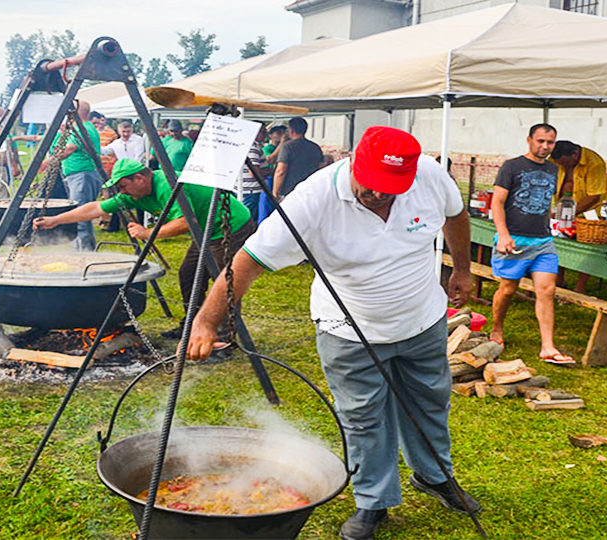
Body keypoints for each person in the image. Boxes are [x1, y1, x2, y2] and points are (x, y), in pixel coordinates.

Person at [185, 127, 479, 540]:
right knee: (363, 417)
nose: (379, 195)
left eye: (391, 188)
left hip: (421, 318)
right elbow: (248, 260)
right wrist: (206, 320)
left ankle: (433, 475)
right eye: (372, 185)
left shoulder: (429, 176)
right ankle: (373, 500)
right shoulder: (313, 199)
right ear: (355, 162)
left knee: (430, 402)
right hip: (349, 330)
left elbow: (456, 215)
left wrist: (462, 268)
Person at [34, 158, 255, 339]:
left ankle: (225, 337)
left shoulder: (166, 185)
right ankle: (191, 327)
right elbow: (96, 208)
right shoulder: (136, 194)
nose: (122, 192)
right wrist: (56, 220)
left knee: (223, 281)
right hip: (204, 232)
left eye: (122, 186)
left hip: (229, 226)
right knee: (188, 274)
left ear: (139, 178)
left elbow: (185, 222)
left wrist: (147, 232)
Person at [488, 123, 574, 365]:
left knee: (547, 290)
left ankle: (547, 347)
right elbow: (497, 202)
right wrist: (503, 235)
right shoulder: (512, 166)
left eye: (550, 142)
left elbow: (547, 202)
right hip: (514, 239)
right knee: (507, 289)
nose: (545, 147)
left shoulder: (553, 169)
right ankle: (497, 329)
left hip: (543, 241)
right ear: (529, 140)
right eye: (541, 141)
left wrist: (552, 224)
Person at [41, 100, 102, 251]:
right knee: (80, 213)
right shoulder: (83, 127)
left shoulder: (82, 128)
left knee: (80, 215)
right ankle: (84, 249)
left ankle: (83, 253)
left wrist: (47, 162)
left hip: (82, 175)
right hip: (80, 175)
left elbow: (70, 149)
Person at [550, 140, 607, 292]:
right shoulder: (554, 160)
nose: (563, 167)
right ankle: (559, 281)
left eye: (566, 163)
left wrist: (568, 213)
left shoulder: (594, 162)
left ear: (575, 154)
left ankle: (580, 288)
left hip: (590, 213)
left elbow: (594, 196)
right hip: (563, 210)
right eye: (560, 163)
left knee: (586, 249)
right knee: (559, 244)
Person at [272, 116, 323, 198]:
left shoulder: (287, 147)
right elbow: (320, 167)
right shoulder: (315, 147)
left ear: (291, 130)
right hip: (310, 189)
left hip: (290, 190)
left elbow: (281, 171)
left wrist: (275, 191)